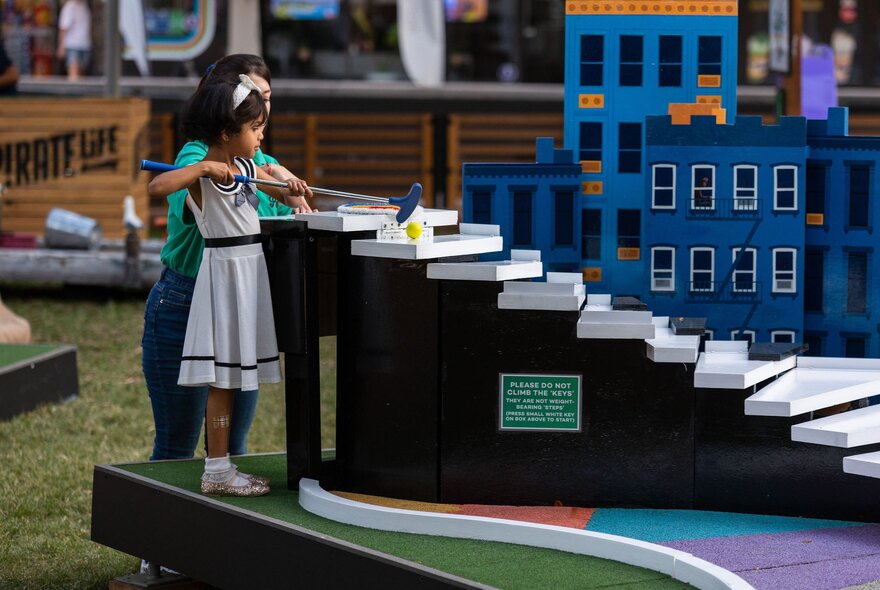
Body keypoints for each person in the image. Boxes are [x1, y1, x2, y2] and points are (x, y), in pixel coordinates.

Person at [142, 55, 312, 467]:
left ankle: (222, 487)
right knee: (176, 450)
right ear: (224, 116)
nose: (264, 115)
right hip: (189, 301)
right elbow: (166, 188)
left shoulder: (251, 161)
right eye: (255, 106)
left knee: (234, 444)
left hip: (242, 302)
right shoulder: (197, 157)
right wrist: (206, 169)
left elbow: (300, 206)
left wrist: (286, 183)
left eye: (267, 101)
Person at [56, 0, 91, 80]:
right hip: (72, 44)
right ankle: (73, 91)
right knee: (74, 72)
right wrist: (61, 46)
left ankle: (79, 91)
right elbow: (63, 28)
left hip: (85, 44)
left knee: (82, 73)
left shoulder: (84, 5)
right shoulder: (69, 7)